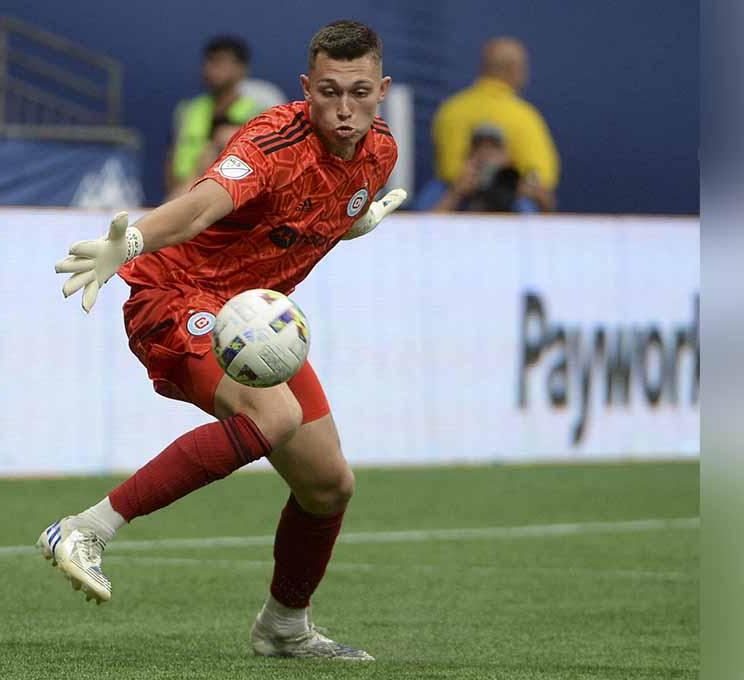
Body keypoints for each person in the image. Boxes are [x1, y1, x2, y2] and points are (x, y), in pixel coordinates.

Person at [40, 20, 407, 661]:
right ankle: (85, 529)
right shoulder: (272, 139)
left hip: (250, 314)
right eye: (328, 92)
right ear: (306, 88)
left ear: (382, 90)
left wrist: (353, 219)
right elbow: (204, 204)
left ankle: (284, 626)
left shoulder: (380, 152)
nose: (344, 109)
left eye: (359, 92)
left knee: (328, 484)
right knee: (276, 415)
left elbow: (316, 210)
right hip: (174, 295)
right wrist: (130, 241)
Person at [431, 37, 559, 210]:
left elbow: (449, 169)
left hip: (501, 201)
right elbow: (542, 177)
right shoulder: (524, 116)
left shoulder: (451, 109)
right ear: (512, 69)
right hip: (461, 200)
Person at [165, 36, 269, 195]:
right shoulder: (188, 109)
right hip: (179, 194)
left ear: (241, 69)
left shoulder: (258, 114)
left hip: (229, 197)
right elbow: (172, 155)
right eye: (209, 61)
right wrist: (175, 193)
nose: (211, 68)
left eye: (220, 62)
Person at [413, 124, 541, 212]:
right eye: (478, 150)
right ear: (467, 158)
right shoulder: (442, 188)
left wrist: (536, 197)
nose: (485, 157)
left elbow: (537, 232)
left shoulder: (514, 189)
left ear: (507, 159)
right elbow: (420, 230)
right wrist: (455, 194)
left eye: (493, 151)